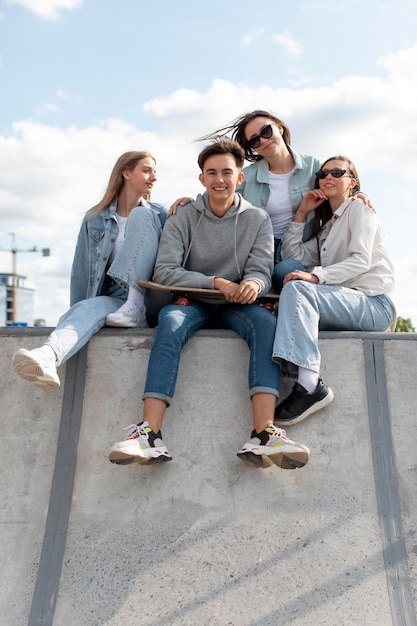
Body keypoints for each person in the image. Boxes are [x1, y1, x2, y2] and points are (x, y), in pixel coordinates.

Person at [108, 138, 310, 470]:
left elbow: (260, 270)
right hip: (192, 300)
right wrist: (215, 282)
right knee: (170, 323)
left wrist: (252, 284)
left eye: (227, 172)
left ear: (239, 178)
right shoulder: (183, 216)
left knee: (266, 324)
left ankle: (264, 434)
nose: (219, 179)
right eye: (211, 172)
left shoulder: (257, 219)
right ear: (201, 178)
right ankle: (149, 434)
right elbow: (166, 271)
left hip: (237, 305)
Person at [12, 151, 167, 390]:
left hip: (151, 298)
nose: (153, 177)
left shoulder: (158, 215)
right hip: (116, 299)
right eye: (147, 170)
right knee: (87, 308)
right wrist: (78, 310)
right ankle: (48, 356)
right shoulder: (94, 219)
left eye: (155, 172)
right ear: (126, 172)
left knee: (141, 214)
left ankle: (135, 305)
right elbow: (81, 272)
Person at [172, 110, 372, 292]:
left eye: (266, 132)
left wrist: (357, 195)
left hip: (295, 253)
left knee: (288, 270)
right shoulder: (247, 176)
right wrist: (192, 201)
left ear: (280, 128)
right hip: (254, 252)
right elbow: (219, 193)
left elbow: (337, 184)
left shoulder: (314, 167)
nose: (263, 141)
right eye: (255, 141)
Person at [272, 155, 396, 426]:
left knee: (299, 289)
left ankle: (309, 385)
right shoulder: (329, 226)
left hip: (373, 304)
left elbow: (361, 260)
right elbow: (294, 254)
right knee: (290, 295)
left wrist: (316, 276)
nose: (328, 177)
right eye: (323, 173)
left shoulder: (359, 209)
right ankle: (303, 379)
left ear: (352, 182)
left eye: (337, 172)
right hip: (346, 302)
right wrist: (302, 213)